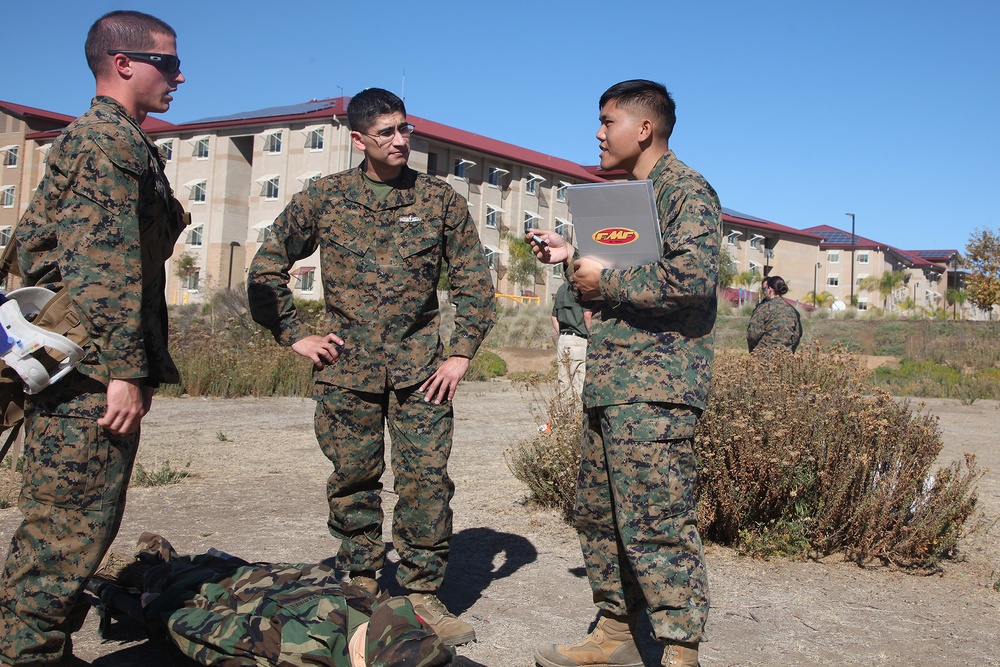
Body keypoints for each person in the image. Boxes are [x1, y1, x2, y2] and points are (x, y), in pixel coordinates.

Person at [247, 88, 495, 648]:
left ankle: (422, 595)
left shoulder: (440, 201)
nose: (400, 140)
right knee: (353, 482)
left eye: (404, 129)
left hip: (422, 373)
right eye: (385, 132)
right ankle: (360, 585)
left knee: (426, 484)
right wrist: (295, 334)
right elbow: (265, 269)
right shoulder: (325, 198)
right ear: (358, 140)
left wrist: (459, 354)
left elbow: (475, 285)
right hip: (346, 370)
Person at [0, 10, 188, 665]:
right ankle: (26, 651)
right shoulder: (105, 142)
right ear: (124, 63)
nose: (179, 74)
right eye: (168, 62)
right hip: (86, 369)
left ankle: (33, 643)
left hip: (85, 361)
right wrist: (125, 371)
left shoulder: (119, 140)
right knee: (69, 522)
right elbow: (102, 263)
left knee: (77, 516)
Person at [527, 80, 721, 667]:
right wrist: (572, 256)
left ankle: (679, 649)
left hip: (657, 390)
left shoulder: (686, 191)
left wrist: (603, 281)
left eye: (607, 121)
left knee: (658, 520)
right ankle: (614, 631)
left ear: (644, 129)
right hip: (613, 382)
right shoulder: (633, 196)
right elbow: (629, 269)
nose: (598, 132)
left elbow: (692, 281)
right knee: (601, 513)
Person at [88, 533, 453, 667]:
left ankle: (156, 556)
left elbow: (314, 576)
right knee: (159, 574)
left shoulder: (386, 612)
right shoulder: (295, 647)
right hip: (223, 589)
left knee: (190, 566)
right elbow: (193, 626)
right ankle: (144, 561)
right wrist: (159, 606)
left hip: (263, 578)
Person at [551, 281, 592, 397]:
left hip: (563, 339)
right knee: (579, 385)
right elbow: (587, 315)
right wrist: (593, 337)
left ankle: (563, 414)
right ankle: (576, 415)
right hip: (580, 340)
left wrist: (563, 336)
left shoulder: (561, 288)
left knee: (563, 383)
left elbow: (554, 317)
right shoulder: (582, 286)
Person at [746, 275, 803, 353]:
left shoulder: (763, 308)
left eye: (765, 288)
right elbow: (796, 335)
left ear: (769, 289)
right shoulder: (791, 310)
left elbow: (752, 335)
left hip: (763, 357)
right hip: (784, 357)